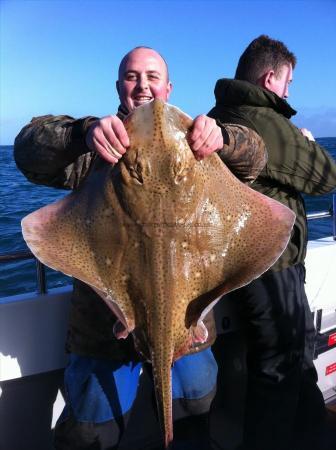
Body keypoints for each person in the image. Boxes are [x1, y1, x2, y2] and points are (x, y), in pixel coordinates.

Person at [14, 46, 267, 450]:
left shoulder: (201, 144)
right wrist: (82, 132)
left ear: (168, 87)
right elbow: (26, 149)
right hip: (104, 334)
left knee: (193, 427)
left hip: (191, 330)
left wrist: (227, 137)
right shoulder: (97, 150)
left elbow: (256, 157)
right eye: (132, 76)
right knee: (92, 438)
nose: (143, 84)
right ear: (119, 87)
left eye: (152, 76)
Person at [208, 35, 336, 450]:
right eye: (289, 83)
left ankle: (309, 432)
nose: (289, 91)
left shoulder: (220, 113)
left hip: (240, 261)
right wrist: (310, 143)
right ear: (270, 78)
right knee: (279, 368)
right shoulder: (263, 119)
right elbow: (325, 177)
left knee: (278, 360)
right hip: (273, 264)